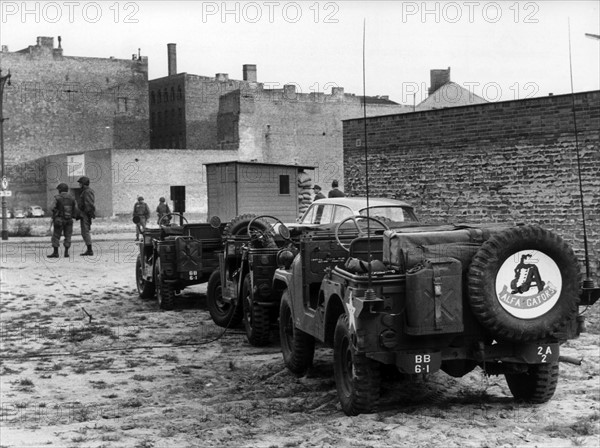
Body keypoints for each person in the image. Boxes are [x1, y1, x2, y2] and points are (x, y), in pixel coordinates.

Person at [47, 183, 80, 258]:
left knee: (56, 236)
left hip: (59, 219)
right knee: (68, 236)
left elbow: (51, 207)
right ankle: (66, 252)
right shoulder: (72, 198)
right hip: (69, 220)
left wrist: (56, 212)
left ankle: (56, 253)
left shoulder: (57, 198)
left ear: (60, 190)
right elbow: (76, 210)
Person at [77, 176, 95, 256]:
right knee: (84, 232)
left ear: (84, 184)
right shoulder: (85, 191)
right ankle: (89, 249)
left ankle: (90, 250)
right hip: (84, 214)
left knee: (85, 232)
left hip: (86, 214)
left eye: (80, 183)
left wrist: (87, 214)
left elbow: (89, 204)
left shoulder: (87, 191)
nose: (79, 185)